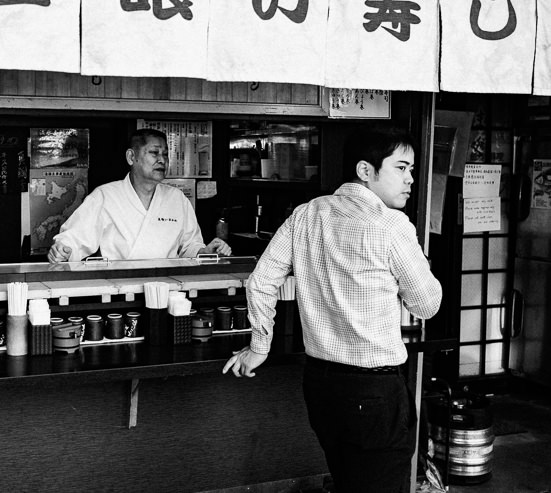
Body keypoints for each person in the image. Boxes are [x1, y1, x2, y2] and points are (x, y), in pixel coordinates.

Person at [222, 131, 442, 493]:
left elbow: (260, 280)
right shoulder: (391, 226)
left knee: (347, 480)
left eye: (412, 169)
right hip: (374, 390)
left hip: (322, 386)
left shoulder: (306, 215)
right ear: (365, 170)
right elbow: (427, 304)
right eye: (401, 168)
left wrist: (259, 347)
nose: (411, 179)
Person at [48, 128, 231, 262]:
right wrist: (63, 250)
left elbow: (189, 245)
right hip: (119, 288)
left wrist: (205, 252)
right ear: (131, 157)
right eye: (154, 153)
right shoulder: (106, 196)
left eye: (165, 154)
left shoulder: (177, 198)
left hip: (168, 287)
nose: (162, 160)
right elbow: (75, 237)